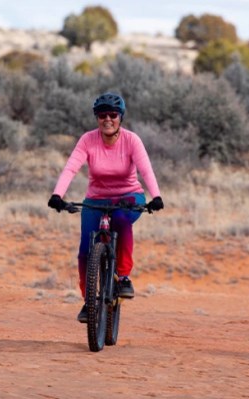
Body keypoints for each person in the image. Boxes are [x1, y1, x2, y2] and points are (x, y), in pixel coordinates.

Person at [48, 92, 164, 323]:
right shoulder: (88, 140)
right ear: (97, 118)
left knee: (121, 220)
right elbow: (71, 168)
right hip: (96, 199)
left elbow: (146, 170)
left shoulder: (132, 140)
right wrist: (57, 195)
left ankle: (123, 278)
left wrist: (156, 196)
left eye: (113, 114)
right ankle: (88, 302)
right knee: (84, 252)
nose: (107, 119)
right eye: (102, 115)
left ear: (120, 117)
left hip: (129, 196)